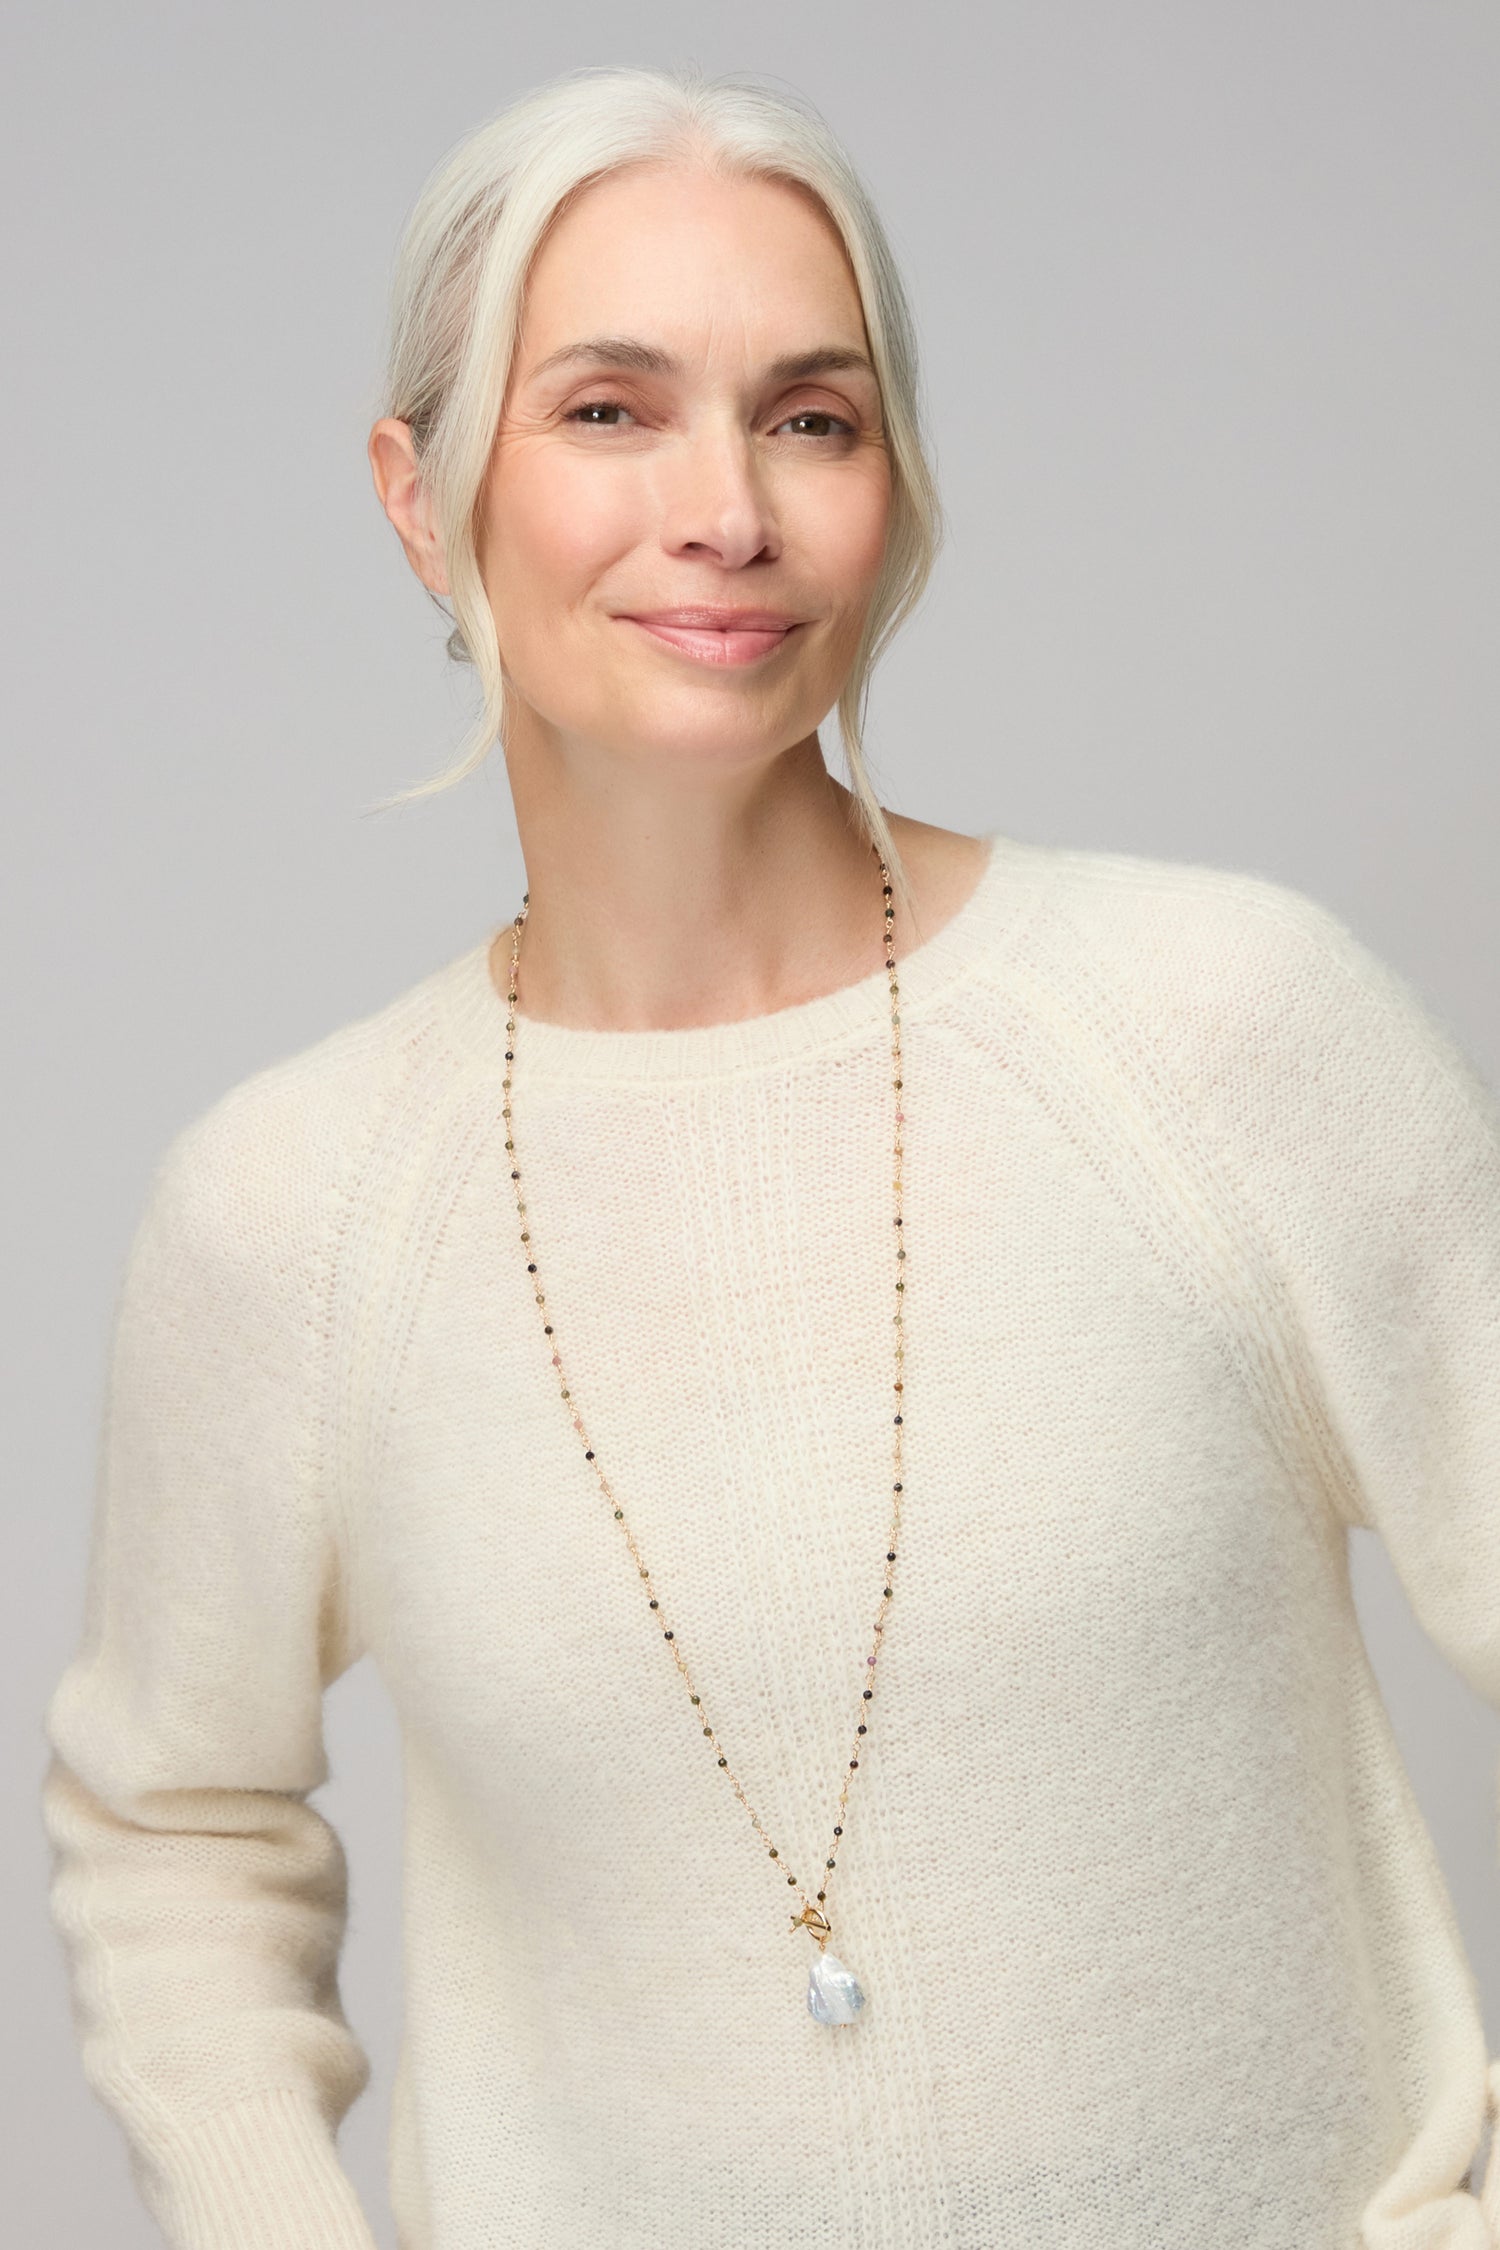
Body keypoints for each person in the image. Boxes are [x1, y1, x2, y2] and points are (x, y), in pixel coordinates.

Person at [38, 60, 1500, 2250]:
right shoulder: (293, 1213)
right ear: (424, 498)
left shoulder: (1223, 1028)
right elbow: (173, 1831)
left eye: (811, 416)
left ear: (892, 487)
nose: (725, 511)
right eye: (610, 410)